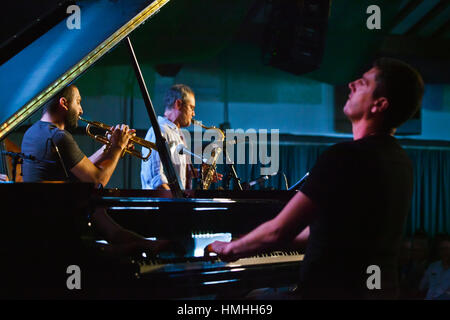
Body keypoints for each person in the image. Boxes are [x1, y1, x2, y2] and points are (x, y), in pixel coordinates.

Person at [206, 57, 425, 299]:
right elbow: (328, 231)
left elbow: (277, 232)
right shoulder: (401, 161)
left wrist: (230, 247)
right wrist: (255, 244)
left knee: (239, 298)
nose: (351, 84)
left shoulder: (343, 156)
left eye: (363, 83)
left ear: (379, 104)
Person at [21, 84, 178, 256]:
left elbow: (80, 167)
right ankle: (139, 247)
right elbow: (97, 181)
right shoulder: (60, 137)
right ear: (64, 103)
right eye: (78, 102)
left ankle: (144, 245)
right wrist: (117, 148)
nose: (81, 110)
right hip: (62, 222)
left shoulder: (33, 132)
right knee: (99, 212)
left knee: (98, 213)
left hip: (43, 216)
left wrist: (109, 148)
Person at [140, 84, 197, 190]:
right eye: (191, 108)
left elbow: (175, 174)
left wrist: (197, 173)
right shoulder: (160, 131)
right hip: (161, 205)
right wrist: (177, 202)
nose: (193, 114)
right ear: (178, 104)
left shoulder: (179, 135)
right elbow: (156, 180)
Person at [419, 234, 450, 300]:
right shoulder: (432, 266)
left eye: (447, 249)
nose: (445, 252)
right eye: (442, 249)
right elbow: (422, 286)